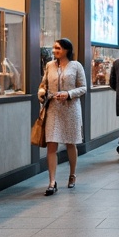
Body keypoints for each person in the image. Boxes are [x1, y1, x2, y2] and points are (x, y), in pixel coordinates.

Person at [38, 38, 88, 194]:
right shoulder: (49, 65)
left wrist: (69, 94)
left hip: (71, 108)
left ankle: (72, 174)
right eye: (54, 48)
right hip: (53, 107)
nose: (54, 51)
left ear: (67, 49)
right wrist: (41, 92)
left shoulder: (76, 66)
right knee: (52, 143)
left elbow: (84, 87)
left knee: (70, 143)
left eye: (58, 48)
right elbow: (43, 84)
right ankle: (52, 182)